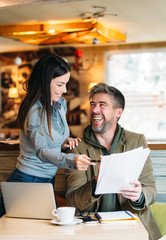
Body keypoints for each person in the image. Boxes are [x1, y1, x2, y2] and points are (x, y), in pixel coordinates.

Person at [65, 83, 162, 240]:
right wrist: (97, 183)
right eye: (92, 104)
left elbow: (150, 189)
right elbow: (72, 200)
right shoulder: (77, 148)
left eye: (102, 105)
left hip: (134, 226)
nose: (95, 110)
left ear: (118, 112)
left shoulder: (136, 141)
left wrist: (139, 196)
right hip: (92, 229)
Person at [0, 54, 93, 217]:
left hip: (47, 180)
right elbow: (41, 151)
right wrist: (72, 160)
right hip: (28, 180)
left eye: (66, 84)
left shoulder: (61, 103)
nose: (64, 90)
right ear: (45, 81)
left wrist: (65, 143)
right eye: (60, 84)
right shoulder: (34, 110)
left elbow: (53, 137)